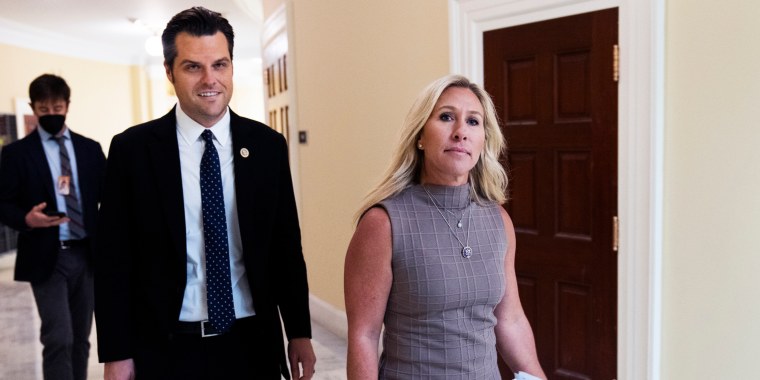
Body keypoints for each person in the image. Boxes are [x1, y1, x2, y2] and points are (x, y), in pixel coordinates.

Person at [94, 7, 315, 380]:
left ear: (231, 66)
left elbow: (285, 248)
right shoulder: (132, 150)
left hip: (251, 341)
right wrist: (116, 353)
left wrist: (299, 332)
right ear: (169, 72)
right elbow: (114, 260)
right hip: (167, 346)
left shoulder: (267, 146)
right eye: (193, 67)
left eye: (220, 64)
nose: (210, 79)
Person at [344, 74, 547, 379]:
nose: (460, 132)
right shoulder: (383, 223)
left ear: (483, 141)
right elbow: (364, 335)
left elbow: (510, 319)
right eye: (446, 117)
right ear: (420, 136)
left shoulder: (498, 220)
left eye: (473, 122)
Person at [0, 74, 106, 380]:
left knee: (81, 338)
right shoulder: (16, 154)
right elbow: (3, 203)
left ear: (67, 106)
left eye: (57, 107)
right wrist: (26, 219)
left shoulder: (89, 149)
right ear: (34, 108)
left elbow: (110, 196)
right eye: (43, 110)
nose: (51, 114)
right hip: (46, 256)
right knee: (59, 337)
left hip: (86, 254)